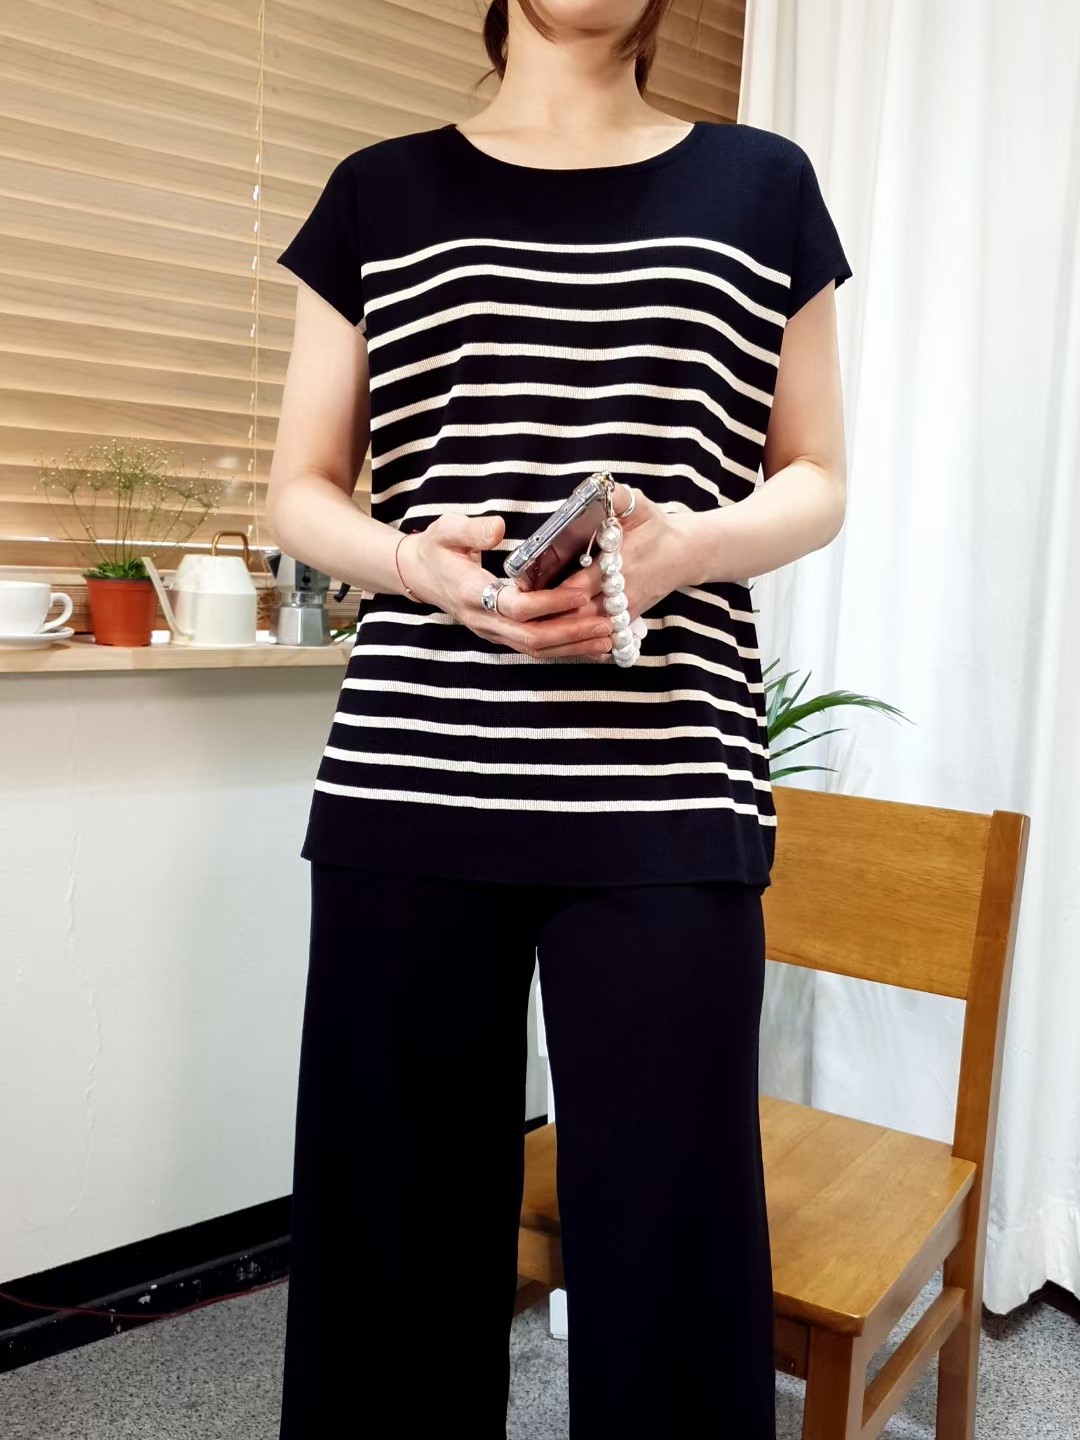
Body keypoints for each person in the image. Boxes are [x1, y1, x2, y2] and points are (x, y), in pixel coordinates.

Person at [268, 2, 851, 1435]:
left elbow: (818, 476)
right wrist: (420, 566)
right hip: (417, 775)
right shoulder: (377, 192)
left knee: (671, 1245)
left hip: (667, 785)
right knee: (391, 1237)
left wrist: (685, 545)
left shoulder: (763, 184)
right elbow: (300, 489)